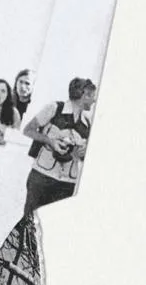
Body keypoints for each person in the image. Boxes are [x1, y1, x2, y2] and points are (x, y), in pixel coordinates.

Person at [21, 78, 98, 216]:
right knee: (29, 223)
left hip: (67, 183)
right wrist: (50, 141)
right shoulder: (54, 108)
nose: (94, 101)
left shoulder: (87, 121)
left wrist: (84, 152)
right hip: (42, 177)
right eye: (92, 96)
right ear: (83, 94)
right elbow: (28, 130)